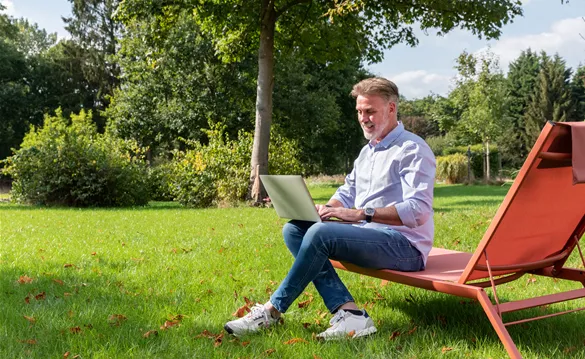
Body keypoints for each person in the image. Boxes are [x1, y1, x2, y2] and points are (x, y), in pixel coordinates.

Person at [224, 77, 436, 340]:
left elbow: (418, 211)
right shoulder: (368, 152)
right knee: (296, 230)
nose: (363, 118)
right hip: (372, 235)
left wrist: (361, 213)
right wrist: (323, 209)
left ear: (391, 109)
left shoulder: (413, 149)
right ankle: (350, 313)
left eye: (370, 111)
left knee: (320, 234)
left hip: (405, 247)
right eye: (359, 111)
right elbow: (347, 193)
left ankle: (272, 311)